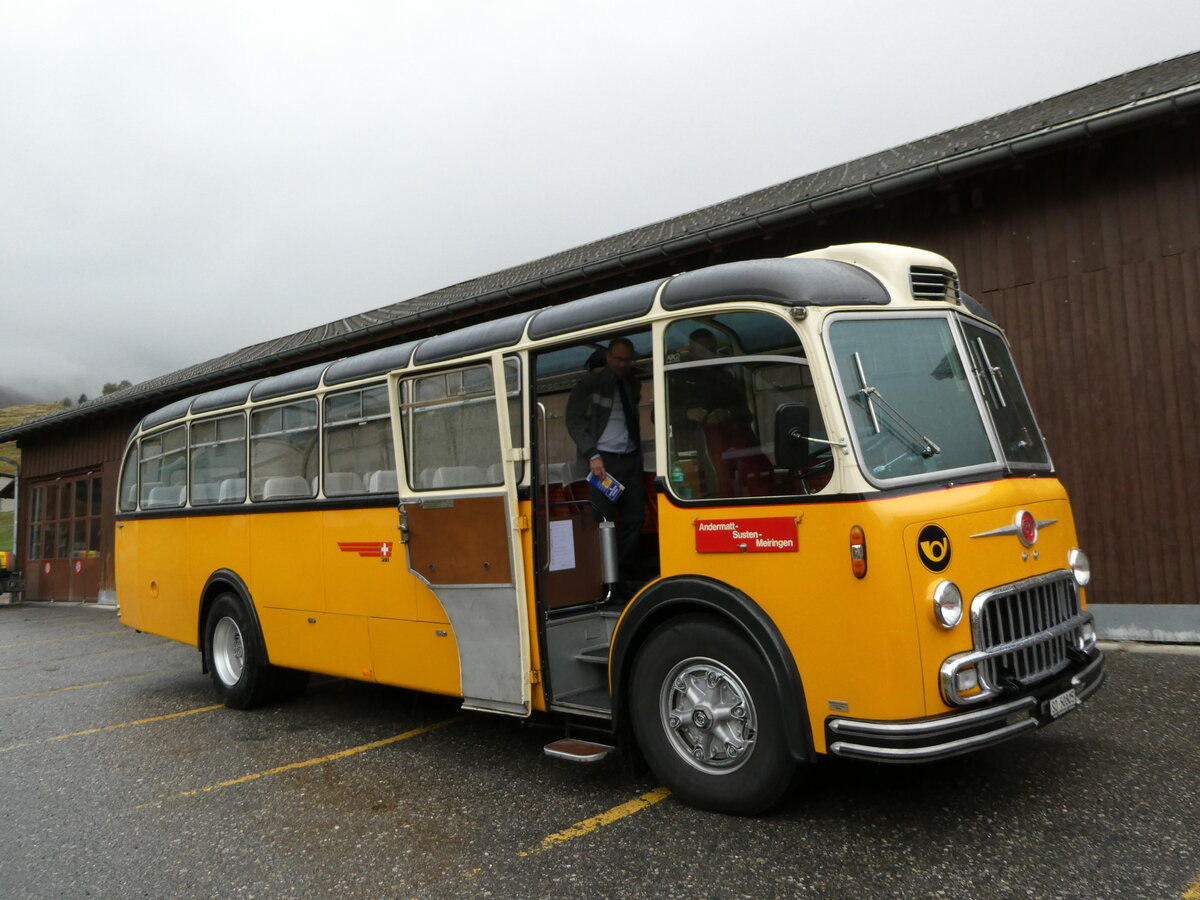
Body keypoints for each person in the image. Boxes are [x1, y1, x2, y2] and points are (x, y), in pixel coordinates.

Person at [565, 337, 644, 583]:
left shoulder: (633, 383)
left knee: (635, 518)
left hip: (630, 458)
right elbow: (574, 421)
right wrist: (592, 454)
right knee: (603, 521)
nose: (622, 364)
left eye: (627, 360)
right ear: (608, 357)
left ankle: (624, 571)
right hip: (603, 463)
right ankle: (605, 580)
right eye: (618, 359)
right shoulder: (590, 384)